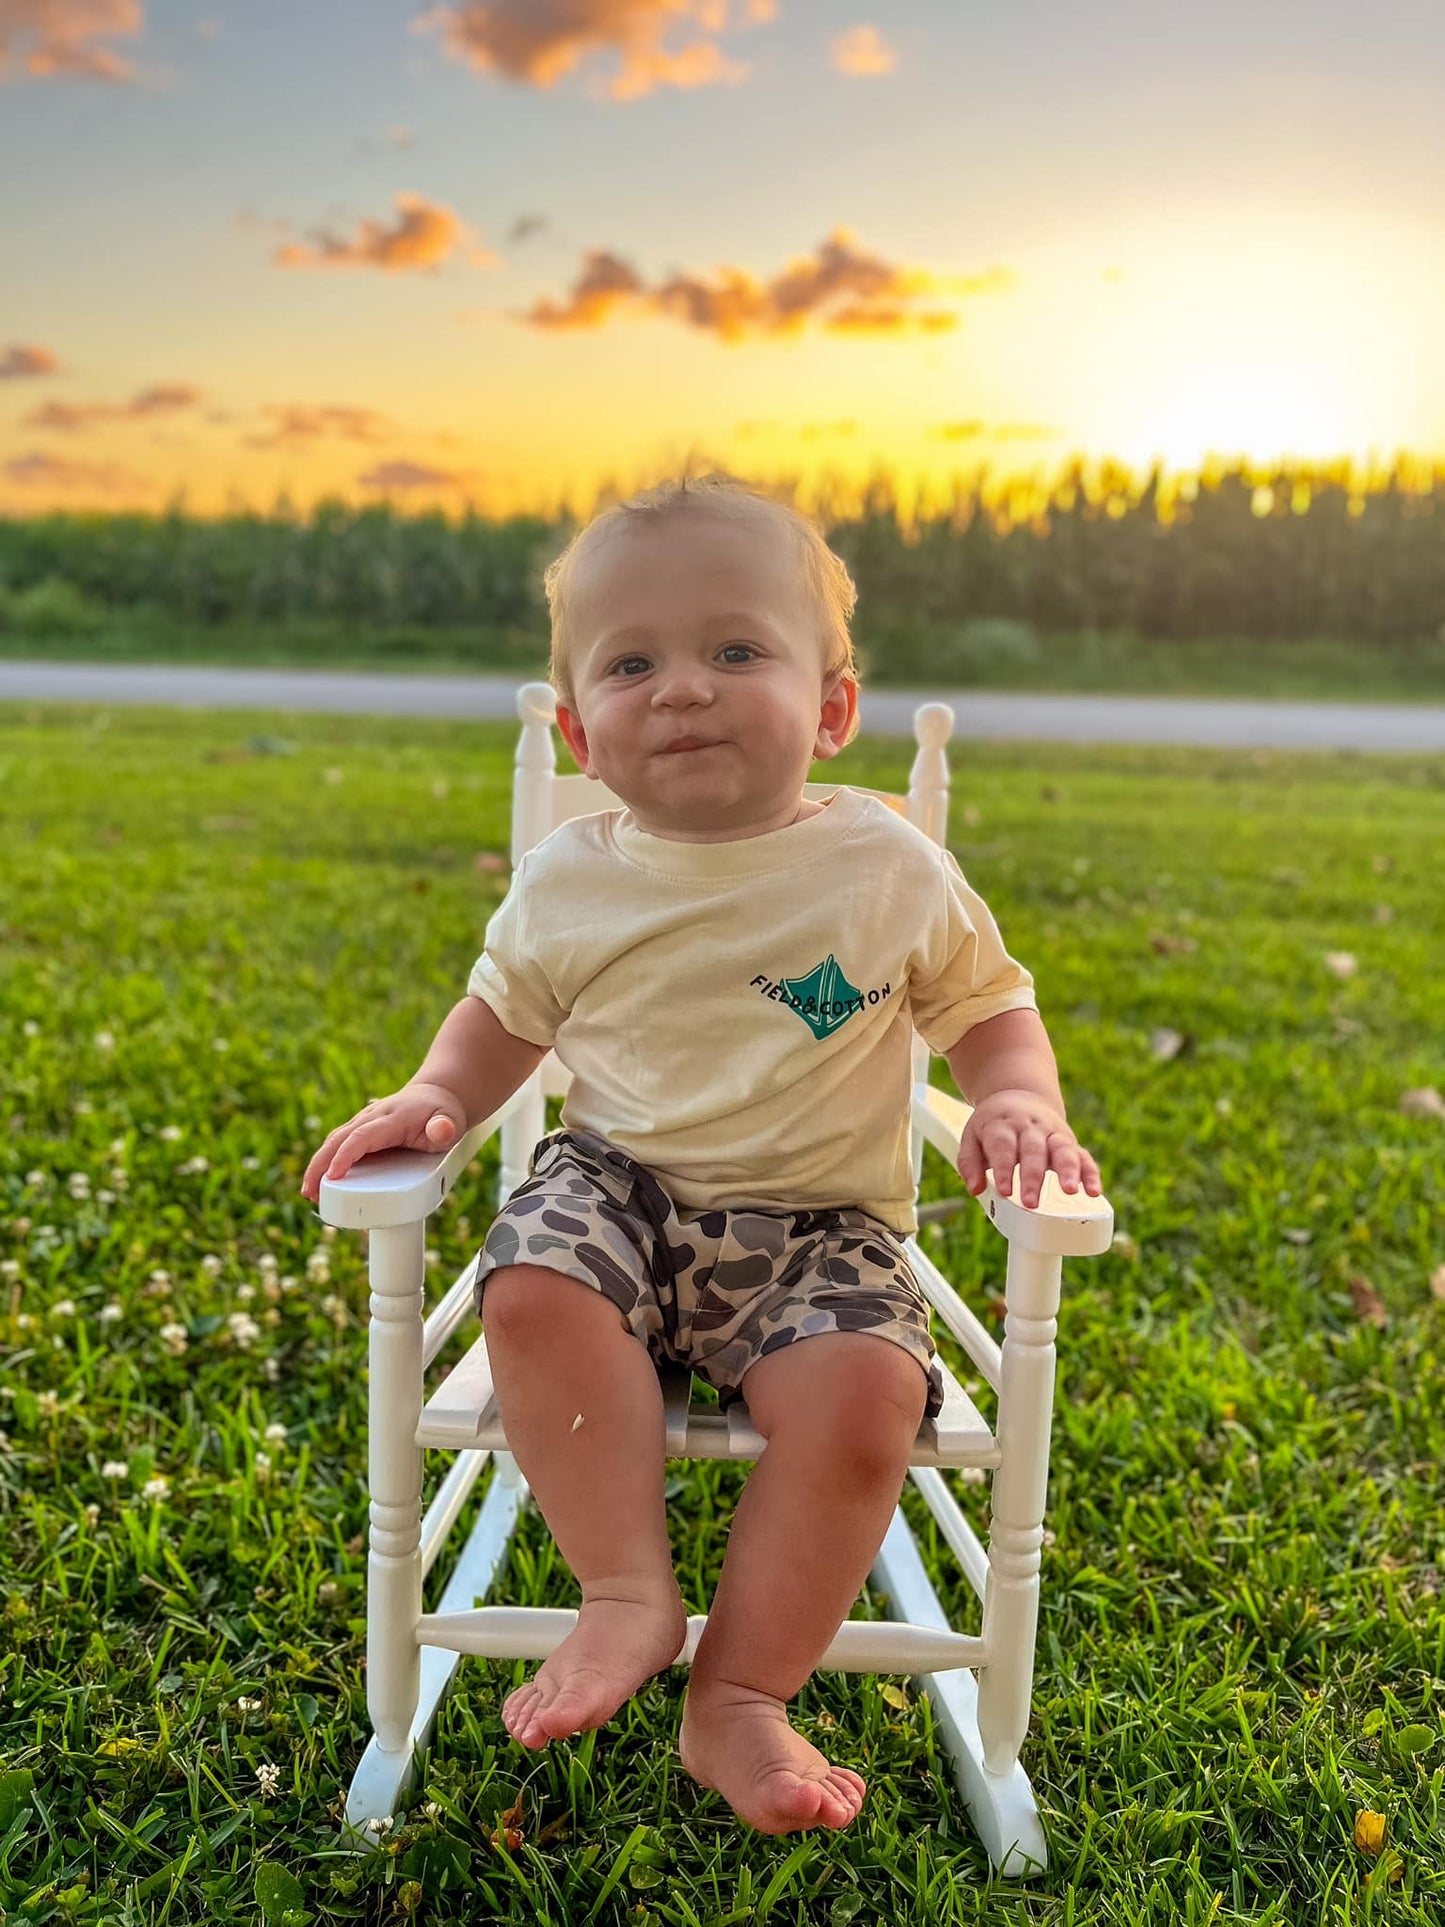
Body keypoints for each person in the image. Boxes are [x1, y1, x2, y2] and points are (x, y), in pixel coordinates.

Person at [301, 472, 1102, 1836]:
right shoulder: (572, 874)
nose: (682, 688)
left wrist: (1017, 1098)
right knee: (529, 1289)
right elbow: (501, 1018)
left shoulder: (882, 861)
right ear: (578, 730)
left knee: (863, 1401)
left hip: (820, 1226)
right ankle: (623, 1593)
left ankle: (737, 1697)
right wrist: (436, 1094)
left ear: (830, 709)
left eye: (735, 651)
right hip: (619, 1188)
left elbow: (985, 1005)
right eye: (632, 663)